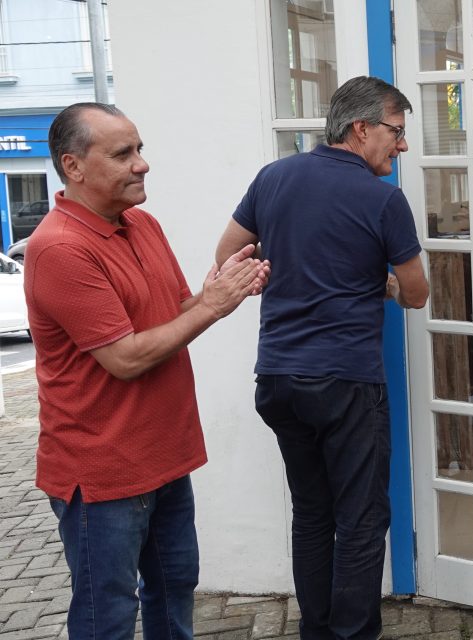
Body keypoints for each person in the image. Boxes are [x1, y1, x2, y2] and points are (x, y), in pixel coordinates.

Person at [25, 102, 268, 639]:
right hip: (103, 472)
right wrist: (213, 307)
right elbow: (126, 357)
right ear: (73, 166)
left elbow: (175, 314)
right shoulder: (59, 249)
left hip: (163, 457)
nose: (142, 164)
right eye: (122, 153)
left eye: (140, 149)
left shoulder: (143, 223)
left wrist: (215, 291)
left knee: (176, 588)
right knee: (106, 615)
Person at [215, 76, 428, 640]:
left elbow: (227, 255)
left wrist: (285, 265)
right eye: (397, 132)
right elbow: (417, 292)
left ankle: (317, 631)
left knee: (312, 513)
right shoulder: (384, 199)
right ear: (361, 129)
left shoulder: (273, 177)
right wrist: (378, 284)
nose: (402, 146)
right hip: (345, 383)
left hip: (278, 378)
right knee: (359, 520)